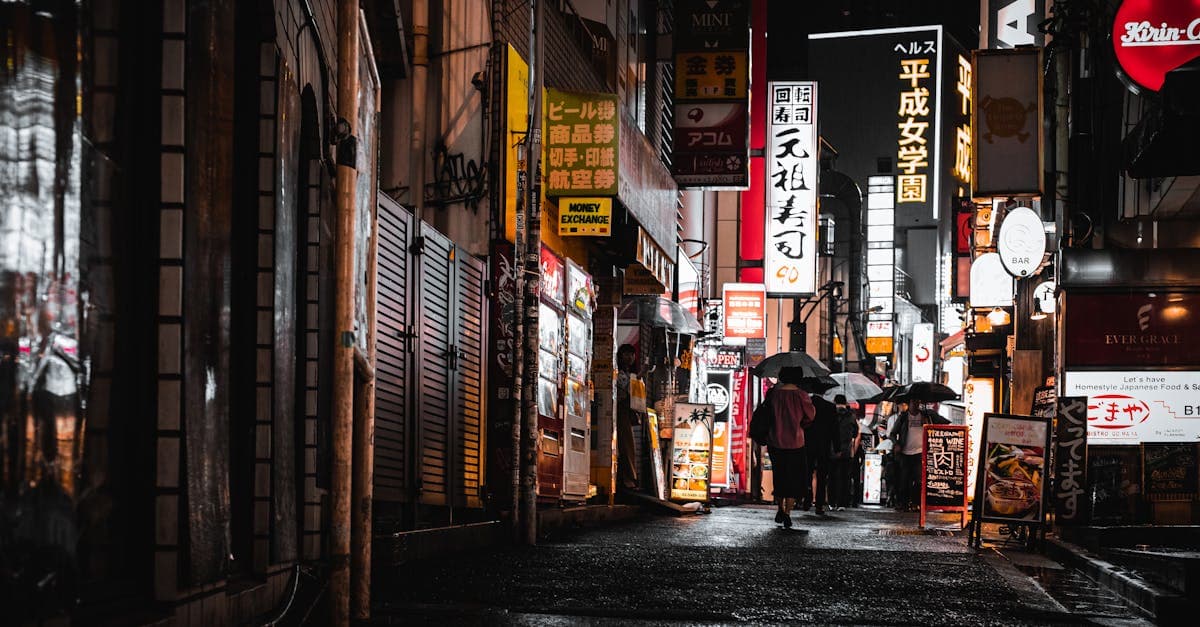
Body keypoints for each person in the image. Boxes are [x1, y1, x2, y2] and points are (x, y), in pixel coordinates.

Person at [752, 366, 815, 528]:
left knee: (779, 476)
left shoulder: (773, 394)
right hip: (796, 442)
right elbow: (810, 417)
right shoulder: (802, 395)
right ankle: (787, 512)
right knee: (794, 478)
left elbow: (766, 414)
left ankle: (779, 507)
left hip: (775, 441)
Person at [889, 398, 950, 511]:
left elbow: (944, 422)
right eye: (914, 402)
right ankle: (904, 503)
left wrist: (928, 422)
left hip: (920, 453)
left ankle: (916, 503)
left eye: (918, 402)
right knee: (905, 480)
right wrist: (896, 444)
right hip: (905, 453)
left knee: (919, 480)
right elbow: (892, 434)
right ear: (909, 404)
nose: (916, 405)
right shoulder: (903, 417)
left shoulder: (926, 415)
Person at [802, 381, 837, 515]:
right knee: (822, 475)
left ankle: (806, 499)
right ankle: (819, 505)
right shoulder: (829, 407)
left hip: (807, 443)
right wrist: (837, 447)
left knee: (807, 472)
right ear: (824, 392)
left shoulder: (807, 404)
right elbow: (834, 429)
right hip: (824, 445)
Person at [615, 344, 642, 491]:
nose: (630, 357)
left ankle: (629, 478)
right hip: (619, 411)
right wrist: (639, 376)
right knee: (625, 445)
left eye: (632, 354)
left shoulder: (628, 372)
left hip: (626, 412)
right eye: (626, 354)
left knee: (628, 445)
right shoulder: (618, 372)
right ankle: (627, 480)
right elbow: (626, 387)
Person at [829, 394, 860, 511]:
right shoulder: (851, 416)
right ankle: (842, 503)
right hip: (846, 451)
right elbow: (856, 433)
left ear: (834, 401)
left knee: (832, 477)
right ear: (845, 402)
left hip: (832, 451)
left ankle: (832, 502)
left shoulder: (831, 415)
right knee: (844, 478)